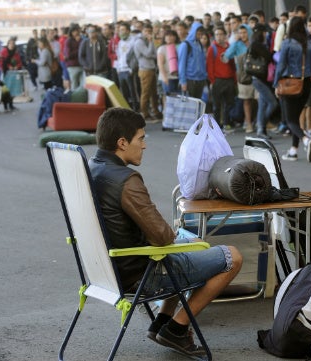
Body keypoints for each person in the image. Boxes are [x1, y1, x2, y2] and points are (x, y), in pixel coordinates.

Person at [88, 107, 242, 356]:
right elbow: (161, 237)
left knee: (186, 244)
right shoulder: (126, 180)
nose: (145, 145)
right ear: (122, 143)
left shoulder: (91, 168)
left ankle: (162, 322)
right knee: (232, 256)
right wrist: (168, 233)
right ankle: (177, 329)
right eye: (141, 138)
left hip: (106, 269)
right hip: (141, 274)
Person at [274, 16, 311, 162]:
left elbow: (281, 66)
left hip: (290, 83)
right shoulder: (310, 44)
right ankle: (293, 151)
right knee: (296, 118)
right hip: (307, 83)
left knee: (290, 119)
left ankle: (305, 140)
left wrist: (275, 84)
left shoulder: (287, 43)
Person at [223, 24, 255, 133]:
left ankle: (255, 121)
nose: (243, 35)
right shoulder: (237, 44)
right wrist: (233, 44)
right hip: (243, 77)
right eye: (240, 33)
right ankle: (249, 123)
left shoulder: (254, 42)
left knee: (257, 100)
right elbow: (226, 56)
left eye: (244, 32)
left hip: (257, 75)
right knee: (246, 100)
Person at [248, 24, 277, 139]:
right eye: (265, 33)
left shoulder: (255, 44)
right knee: (272, 103)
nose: (266, 35)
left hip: (258, 78)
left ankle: (261, 130)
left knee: (262, 104)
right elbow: (269, 57)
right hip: (259, 78)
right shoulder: (258, 45)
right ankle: (261, 124)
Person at [135, 23, 162, 121]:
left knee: (154, 93)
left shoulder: (149, 41)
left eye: (150, 31)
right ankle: (145, 113)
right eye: (146, 31)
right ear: (142, 31)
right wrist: (151, 42)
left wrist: (151, 49)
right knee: (145, 93)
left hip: (152, 69)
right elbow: (147, 53)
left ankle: (155, 111)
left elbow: (155, 54)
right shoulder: (139, 42)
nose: (148, 33)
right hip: (144, 70)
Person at [178, 22, 207, 99]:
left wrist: (204, 77)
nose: (200, 33)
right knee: (189, 106)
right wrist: (183, 82)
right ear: (193, 30)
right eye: (198, 30)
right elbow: (181, 65)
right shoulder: (185, 45)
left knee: (197, 104)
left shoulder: (199, 44)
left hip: (200, 80)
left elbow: (202, 62)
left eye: (201, 31)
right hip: (190, 80)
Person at [157, 29, 180, 111]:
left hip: (177, 76)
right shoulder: (162, 48)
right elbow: (160, 64)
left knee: (177, 98)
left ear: (175, 37)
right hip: (167, 77)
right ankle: (166, 117)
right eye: (167, 36)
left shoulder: (179, 46)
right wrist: (164, 77)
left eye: (171, 35)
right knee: (167, 98)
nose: (169, 37)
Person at [64, 24, 84, 90]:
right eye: (75, 31)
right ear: (71, 32)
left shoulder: (81, 40)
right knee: (74, 86)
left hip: (81, 65)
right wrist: (79, 49)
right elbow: (68, 55)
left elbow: (84, 51)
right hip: (72, 66)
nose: (77, 32)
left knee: (83, 85)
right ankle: (75, 99)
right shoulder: (68, 41)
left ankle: (82, 99)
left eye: (78, 30)